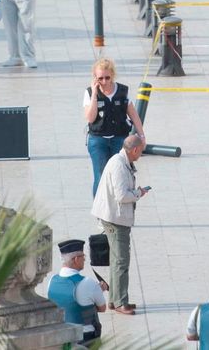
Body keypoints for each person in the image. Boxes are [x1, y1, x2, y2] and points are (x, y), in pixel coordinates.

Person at [91, 133, 149, 316]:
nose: (140, 155)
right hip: (115, 219)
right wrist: (138, 193)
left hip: (115, 216)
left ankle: (115, 300)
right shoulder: (118, 165)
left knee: (117, 260)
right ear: (134, 150)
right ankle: (120, 302)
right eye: (140, 151)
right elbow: (122, 196)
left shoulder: (122, 162)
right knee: (121, 261)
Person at [85, 57, 145, 197]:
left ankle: (119, 205)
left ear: (112, 75)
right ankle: (100, 209)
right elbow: (90, 118)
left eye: (107, 77)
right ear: (95, 78)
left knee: (121, 173)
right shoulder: (89, 93)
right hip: (98, 140)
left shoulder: (122, 91)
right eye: (100, 78)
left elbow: (134, 115)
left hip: (119, 138)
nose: (104, 82)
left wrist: (141, 136)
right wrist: (94, 93)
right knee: (100, 175)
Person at [45, 239, 107, 345]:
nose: (84, 260)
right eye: (83, 257)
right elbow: (102, 308)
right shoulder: (88, 283)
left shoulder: (51, 281)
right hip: (85, 338)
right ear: (76, 259)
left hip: (60, 337)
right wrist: (99, 290)